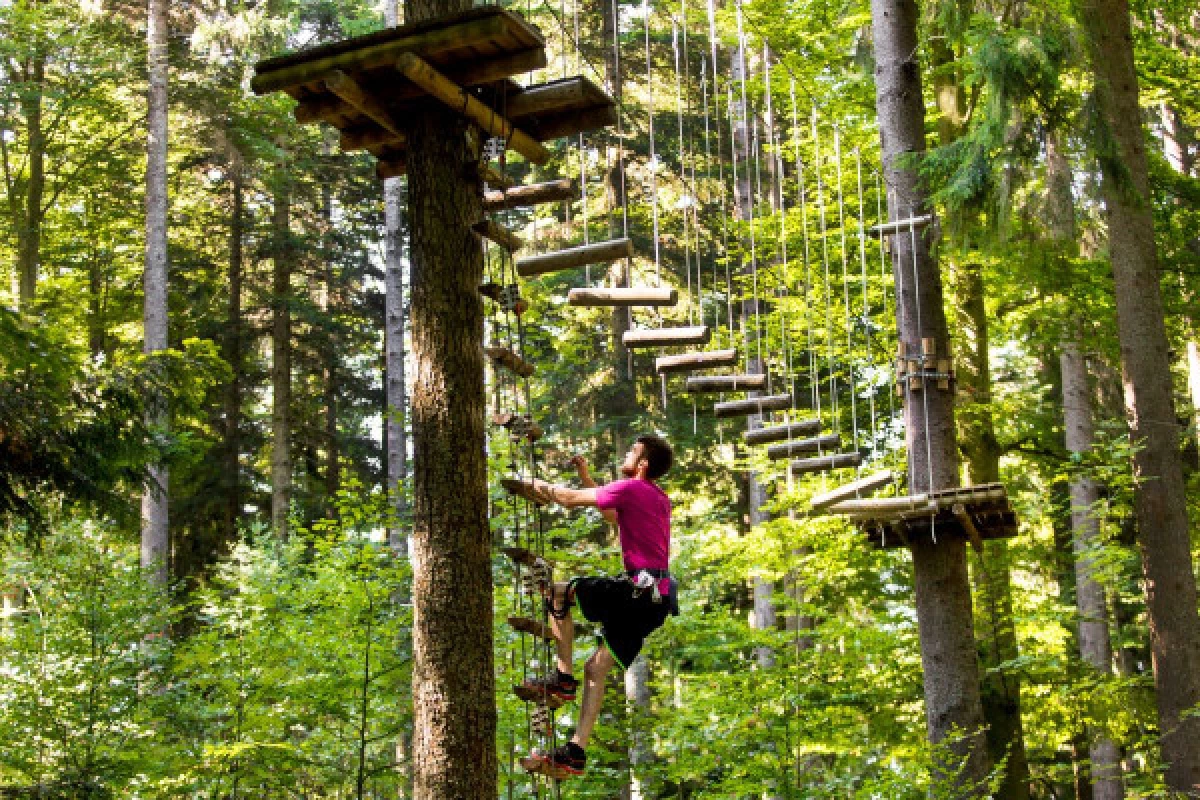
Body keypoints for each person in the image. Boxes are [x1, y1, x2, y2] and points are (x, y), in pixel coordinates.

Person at [517, 434, 677, 779]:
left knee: (559, 593)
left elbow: (571, 500)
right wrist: (589, 480)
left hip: (637, 590)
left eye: (633, 451)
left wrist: (532, 484)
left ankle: (561, 679)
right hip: (655, 601)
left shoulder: (632, 488)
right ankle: (574, 753)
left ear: (643, 464)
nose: (627, 453)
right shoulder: (658, 498)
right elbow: (613, 517)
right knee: (596, 669)